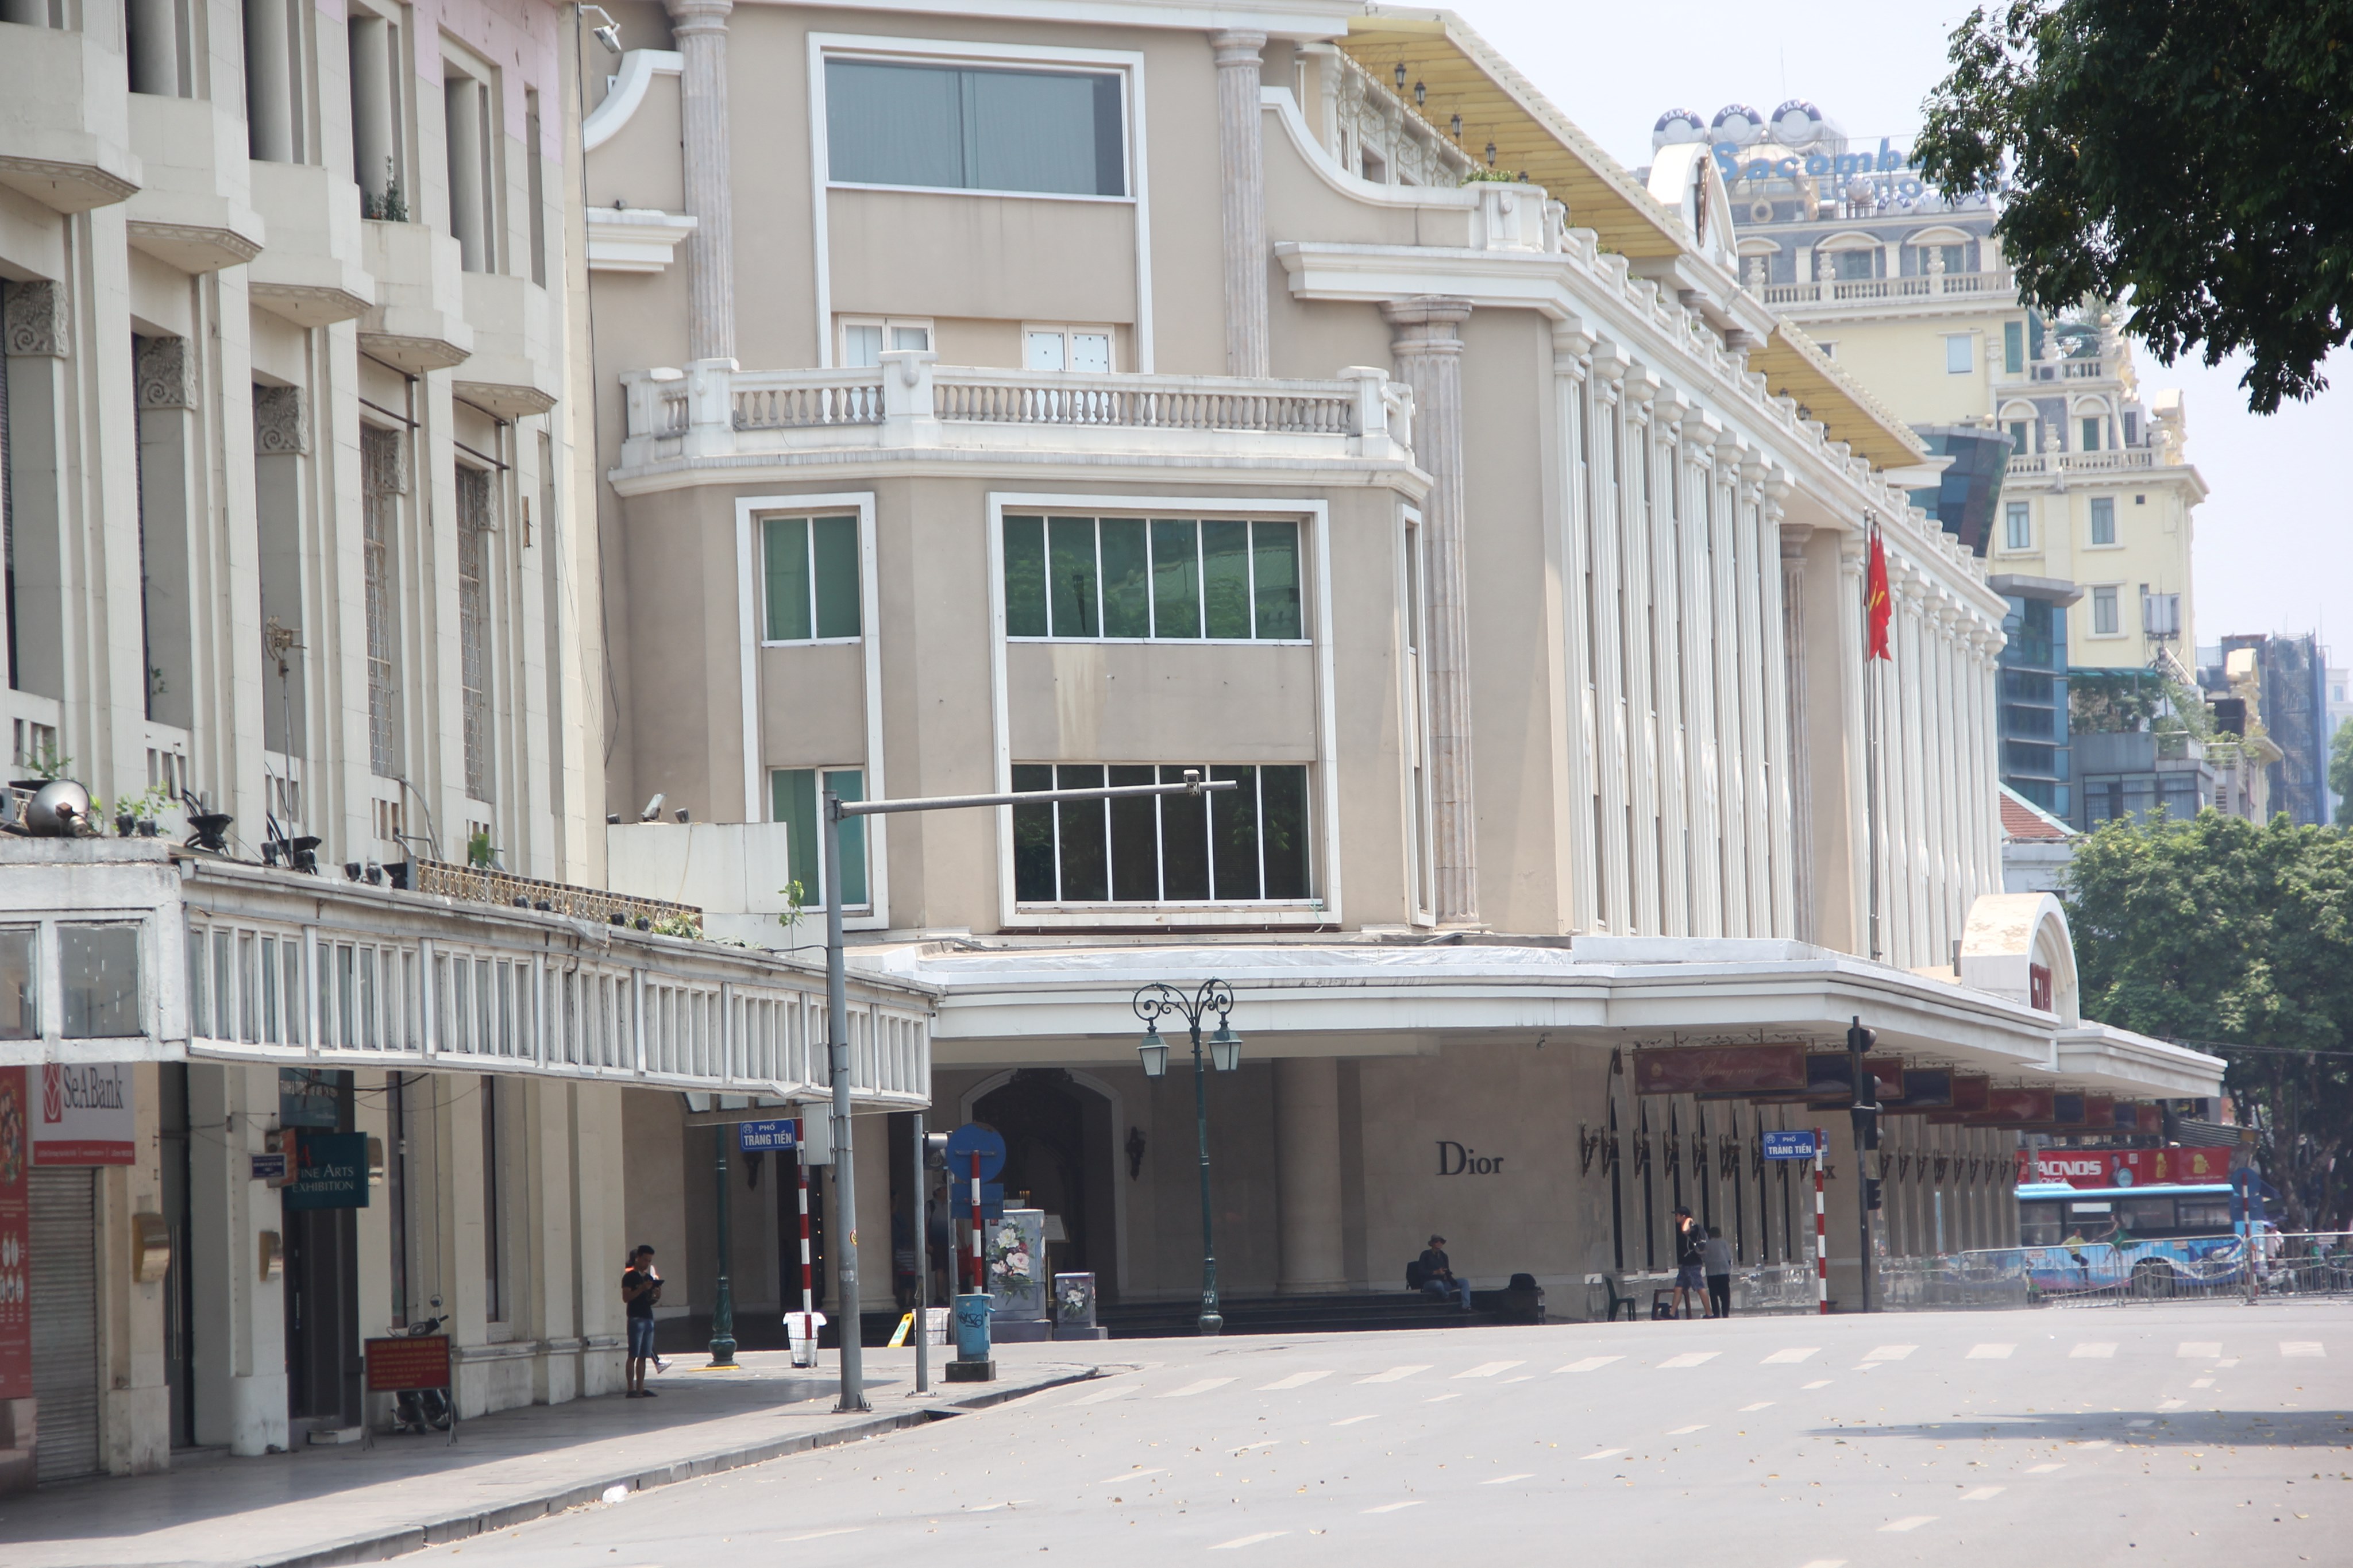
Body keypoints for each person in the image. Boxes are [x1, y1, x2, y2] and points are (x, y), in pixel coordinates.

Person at [622, 1244, 665, 1397]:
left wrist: (656, 1295)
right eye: (645, 1260)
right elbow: (626, 1297)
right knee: (633, 1354)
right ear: (638, 1258)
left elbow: (649, 1300)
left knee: (644, 1355)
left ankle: (641, 1387)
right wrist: (641, 1289)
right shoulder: (630, 1277)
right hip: (635, 1317)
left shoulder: (648, 1278)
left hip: (648, 1317)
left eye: (649, 1261)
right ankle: (630, 1388)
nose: (647, 1263)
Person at [1417, 1234, 1472, 1310]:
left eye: (1441, 1242)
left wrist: (1449, 1277)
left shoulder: (1444, 1256)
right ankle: (1446, 1296)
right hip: (1429, 1283)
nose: (1439, 1243)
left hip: (1443, 1283)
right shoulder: (1425, 1254)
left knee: (1464, 1282)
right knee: (1438, 1284)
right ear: (1432, 1244)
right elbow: (1421, 1271)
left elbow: (1447, 1270)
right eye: (1437, 1242)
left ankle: (1466, 1306)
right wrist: (1436, 1272)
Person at [1672, 1207, 1706, 1319]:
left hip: (1693, 1263)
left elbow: (1685, 1231)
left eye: (1677, 1215)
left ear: (1683, 1216)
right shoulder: (1685, 1226)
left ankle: (1709, 1313)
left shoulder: (1693, 1227)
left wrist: (1688, 1220)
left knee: (1699, 1287)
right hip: (1685, 1263)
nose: (1676, 1217)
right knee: (1679, 1287)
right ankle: (1672, 1313)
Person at [1702, 1225, 1734, 1319]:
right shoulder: (1724, 1242)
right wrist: (1728, 1267)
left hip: (1711, 1272)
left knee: (1713, 1294)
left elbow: (1704, 1258)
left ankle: (1716, 1313)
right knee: (1725, 1294)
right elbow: (1729, 1256)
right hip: (1724, 1271)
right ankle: (1725, 1313)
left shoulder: (1707, 1244)